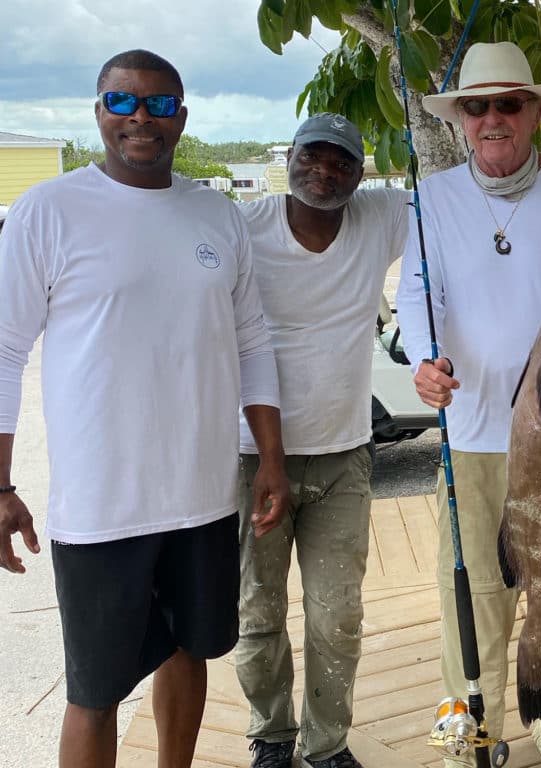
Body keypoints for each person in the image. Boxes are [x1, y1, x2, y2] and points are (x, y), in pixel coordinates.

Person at [0, 50, 290, 768]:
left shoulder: (215, 214)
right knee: (93, 691)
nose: (140, 118)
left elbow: (253, 340)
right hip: (101, 508)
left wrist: (271, 458)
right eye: (122, 102)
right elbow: (4, 352)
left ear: (181, 119)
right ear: (98, 112)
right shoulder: (49, 210)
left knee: (190, 653)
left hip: (201, 498)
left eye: (159, 105)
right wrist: (1, 485)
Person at [395, 41, 541, 768]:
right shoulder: (432, 197)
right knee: (469, 599)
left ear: (534, 115)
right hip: (474, 431)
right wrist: (428, 361)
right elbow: (420, 298)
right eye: (478, 106)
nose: (494, 117)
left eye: (509, 103)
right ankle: (470, 732)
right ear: (460, 119)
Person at [234, 113, 410, 768]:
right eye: (313, 155)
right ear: (290, 156)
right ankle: (271, 736)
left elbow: (469, 206)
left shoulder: (382, 217)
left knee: (337, 615)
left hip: (343, 455)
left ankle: (327, 743)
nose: (325, 170)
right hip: (251, 456)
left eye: (341, 161)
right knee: (257, 611)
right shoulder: (242, 227)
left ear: (361, 175)